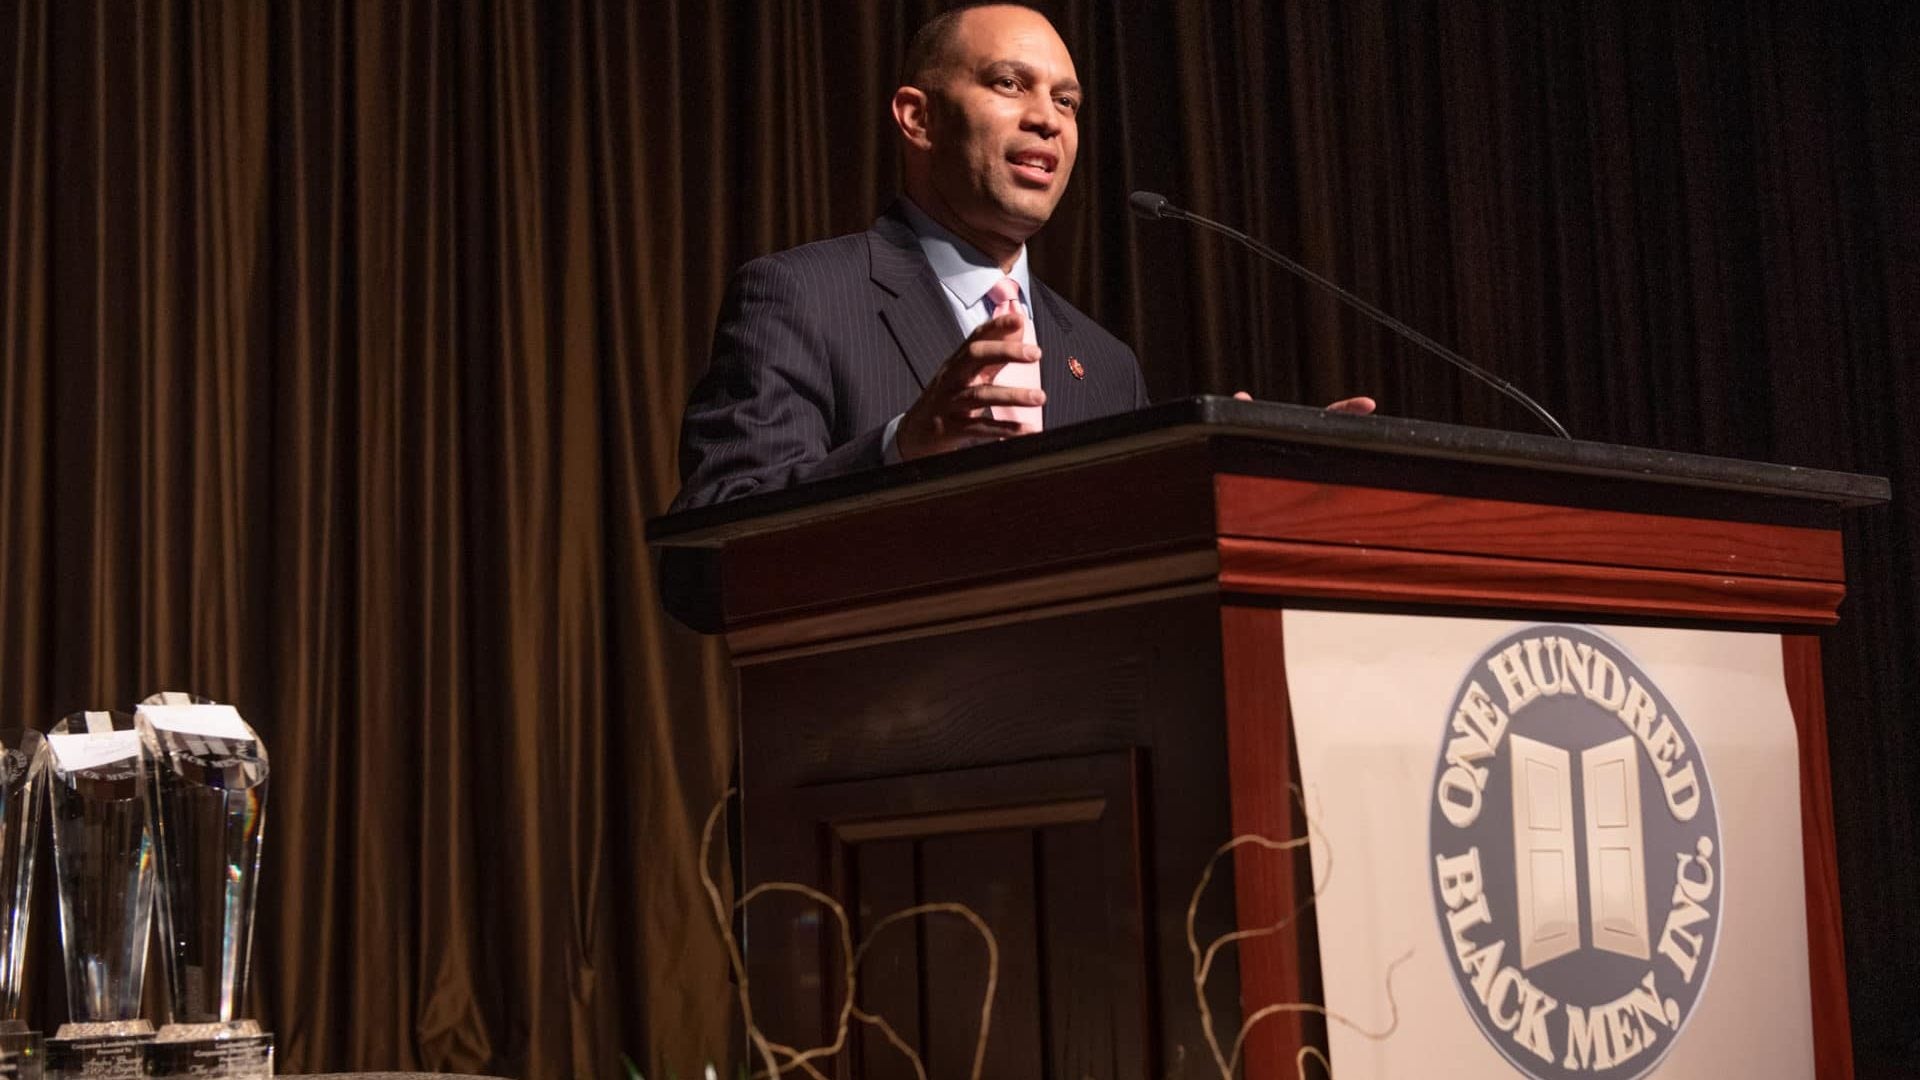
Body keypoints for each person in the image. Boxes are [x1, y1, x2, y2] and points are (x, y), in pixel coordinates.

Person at [662, 3, 1369, 623]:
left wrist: (1241, 499)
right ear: (918, 117)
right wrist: (897, 453)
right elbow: (699, 572)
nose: (1047, 119)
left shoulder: (1104, 362)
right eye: (1009, 83)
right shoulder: (802, 296)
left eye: (1067, 102)